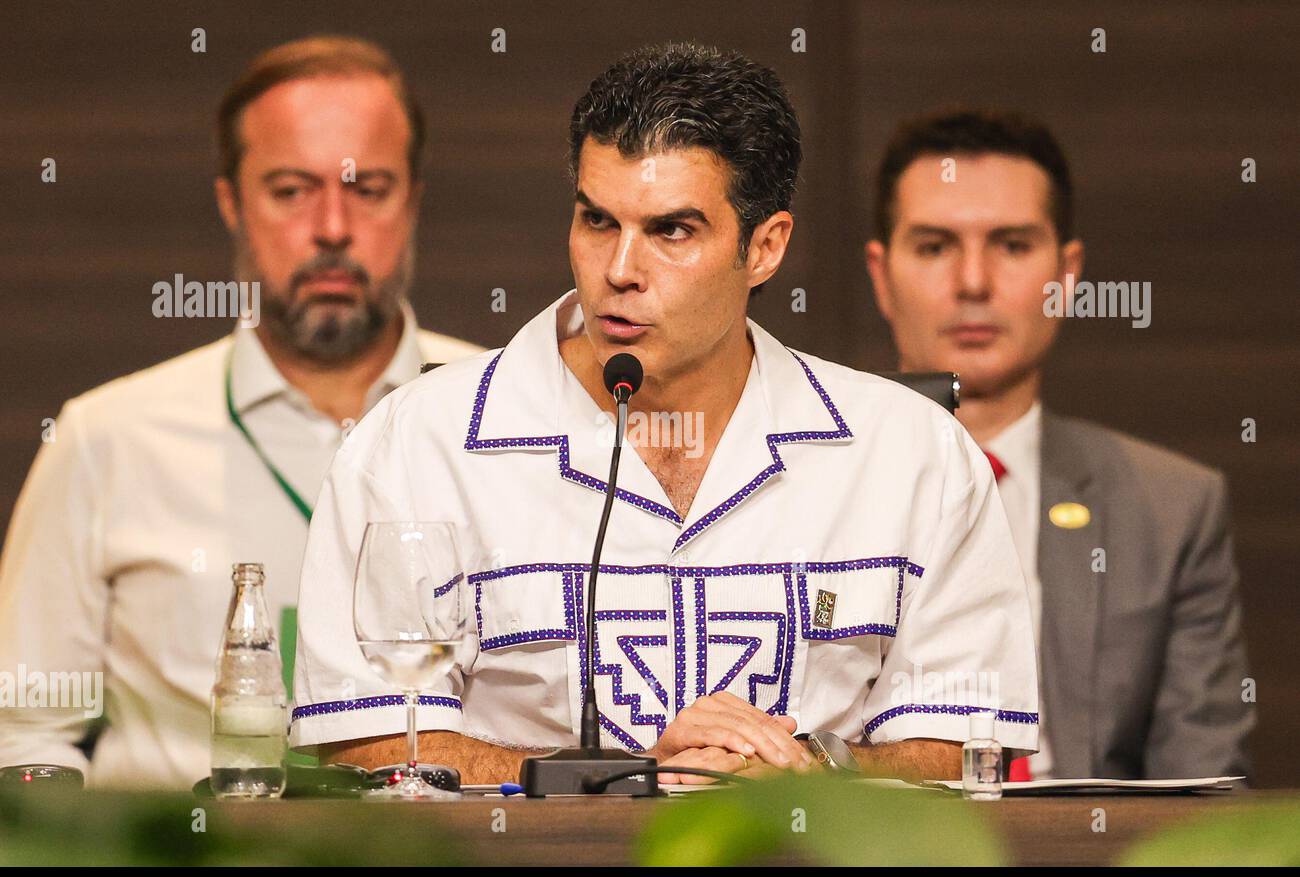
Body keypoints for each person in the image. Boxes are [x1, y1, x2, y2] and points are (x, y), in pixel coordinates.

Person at [291, 44, 1038, 786]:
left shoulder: (914, 454)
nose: (619, 270)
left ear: (767, 247)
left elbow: (967, 749)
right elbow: (366, 743)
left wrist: (804, 769)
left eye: (671, 231)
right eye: (597, 221)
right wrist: (627, 778)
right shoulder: (414, 445)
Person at [0, 36, 481, 790]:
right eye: (291, 189)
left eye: (369, 188)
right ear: (231, 202)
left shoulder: (501, 414)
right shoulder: (106, 438)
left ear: (414, 199)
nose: (331, 227)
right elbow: (22, 735)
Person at [865, 109, 1253, 780]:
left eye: (1012, 245)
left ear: (1067, 275)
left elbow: (1205, 801)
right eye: (934, 246)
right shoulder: (796, 481)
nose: (974, 283)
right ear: (882, 275)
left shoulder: (1174, 507)